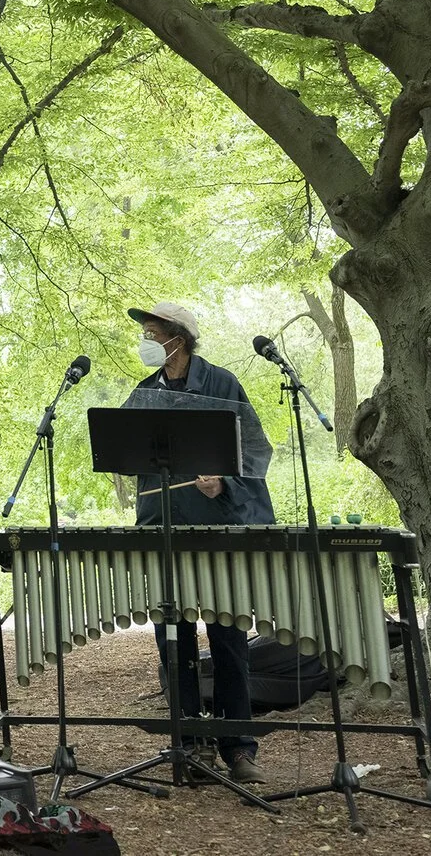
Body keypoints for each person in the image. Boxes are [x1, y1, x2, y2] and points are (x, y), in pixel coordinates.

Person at [125, 300, 275, 786]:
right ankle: (188, 744)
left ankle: (239, 748)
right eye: (146, 334)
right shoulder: (143, 394)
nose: (147, 342)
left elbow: (256, 450)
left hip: (218, 532)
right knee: (173, 642)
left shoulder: (222, 384)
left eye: (153, 334)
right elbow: (121, 452)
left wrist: (224, 482)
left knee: (229, 640)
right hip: (162, 530)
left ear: (179, 338)